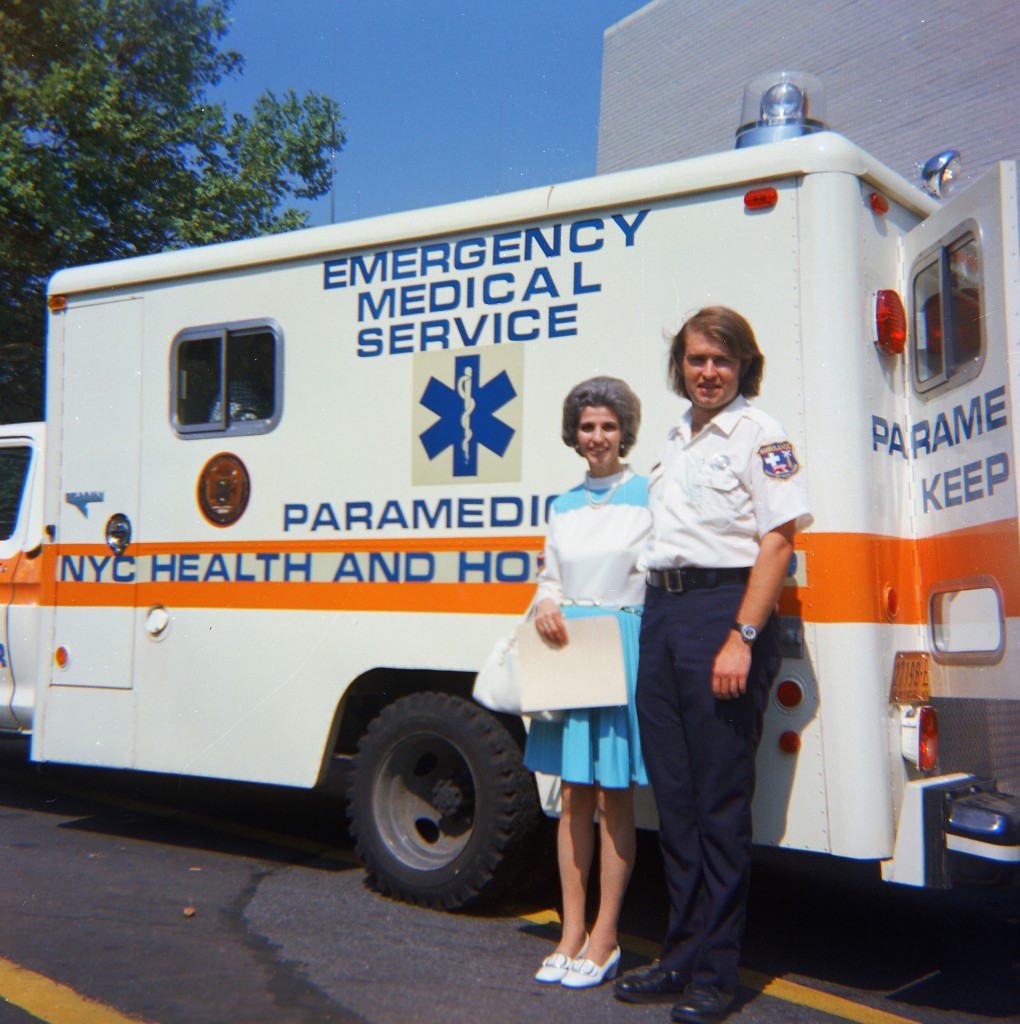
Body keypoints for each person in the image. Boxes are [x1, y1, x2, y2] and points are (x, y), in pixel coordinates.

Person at [613, 308, 812, 1023]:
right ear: (681, 366)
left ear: (743, 367)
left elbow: (779, 543)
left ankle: (716, 975)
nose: (707, 372)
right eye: (697, 360)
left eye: (721, 362)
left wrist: (742, 636)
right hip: (662, 616)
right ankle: (679, 956)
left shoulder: (762, 435)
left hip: (722, 615)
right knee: (674, 803)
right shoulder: (675, 439)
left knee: (720, 806)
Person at [524, 376, 651, 990]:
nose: (597, 437)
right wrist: (546, 600)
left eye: (607, 426)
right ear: (573, 436)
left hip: (620, 645)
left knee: (612, 795)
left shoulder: (648, 493)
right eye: (586, 427)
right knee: (571, 795)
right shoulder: (563, 504)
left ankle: (605, 937)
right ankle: (569, 933)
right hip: (570, 645)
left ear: (624, 430)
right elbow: (549, 574)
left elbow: (657, 575)